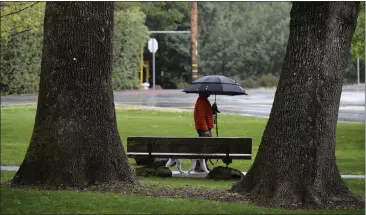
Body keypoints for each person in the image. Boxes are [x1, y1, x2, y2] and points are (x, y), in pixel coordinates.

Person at [192, 92, 219, 172]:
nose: (210, 92)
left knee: (205, 147)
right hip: (204, 129)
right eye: (208, 91)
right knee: (206, 148)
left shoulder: (204, 100)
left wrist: (212, 109)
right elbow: (201, 117)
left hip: (206, 127)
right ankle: (200, 166)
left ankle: (201, 166)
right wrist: (206, 130)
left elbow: (206, 114)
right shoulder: (201, 101)